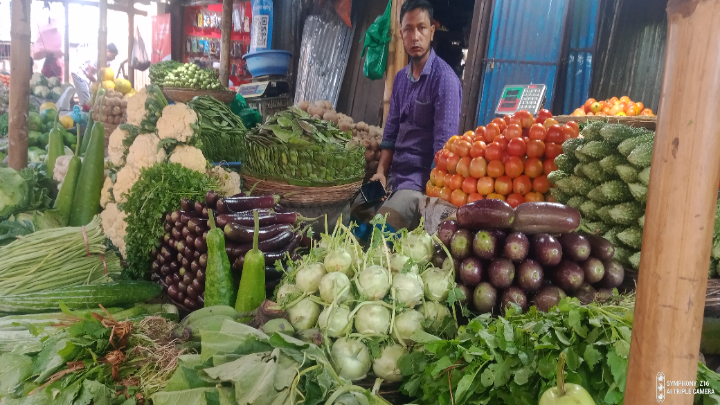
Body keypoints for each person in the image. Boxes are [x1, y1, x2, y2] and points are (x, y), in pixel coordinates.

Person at [351, 0, 462, 236]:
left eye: (421, 28)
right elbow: (390, 134)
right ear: (401, 33)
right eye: (408, 29)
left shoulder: (445, 80)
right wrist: (381, 172)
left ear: (432, 31)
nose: (415, 36)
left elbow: (445, 149)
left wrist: (432, 197)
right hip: (394, 178)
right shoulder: (401, 78)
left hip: (420, 184)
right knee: (352, 215)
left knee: (380, 230)